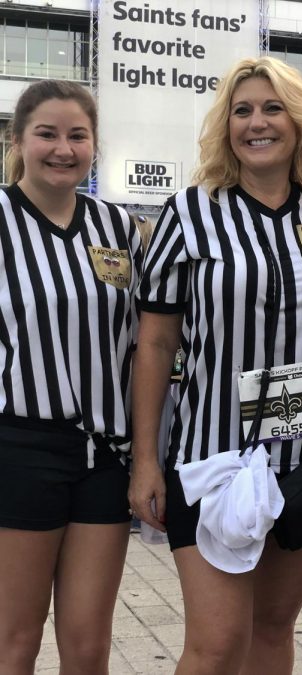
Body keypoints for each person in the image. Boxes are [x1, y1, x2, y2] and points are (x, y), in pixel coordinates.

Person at [129, 57, 302, 675]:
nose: (257, 123)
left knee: (274, 631)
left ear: (299, 121)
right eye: (243, 110)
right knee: (216, 643)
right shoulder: (189, 213)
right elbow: (154, 345)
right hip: (212, 461)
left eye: (273, 108)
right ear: (226, 125)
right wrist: (145, 459)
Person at [0, 80, 142, 673]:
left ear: (94, 146)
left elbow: (146, 341)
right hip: (22, 449)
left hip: (105, 455)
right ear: (16, 141)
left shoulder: (120, 228)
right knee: (15, 641)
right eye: (47, 134)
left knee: (87, 647)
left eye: (77, 136)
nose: (63, 148)